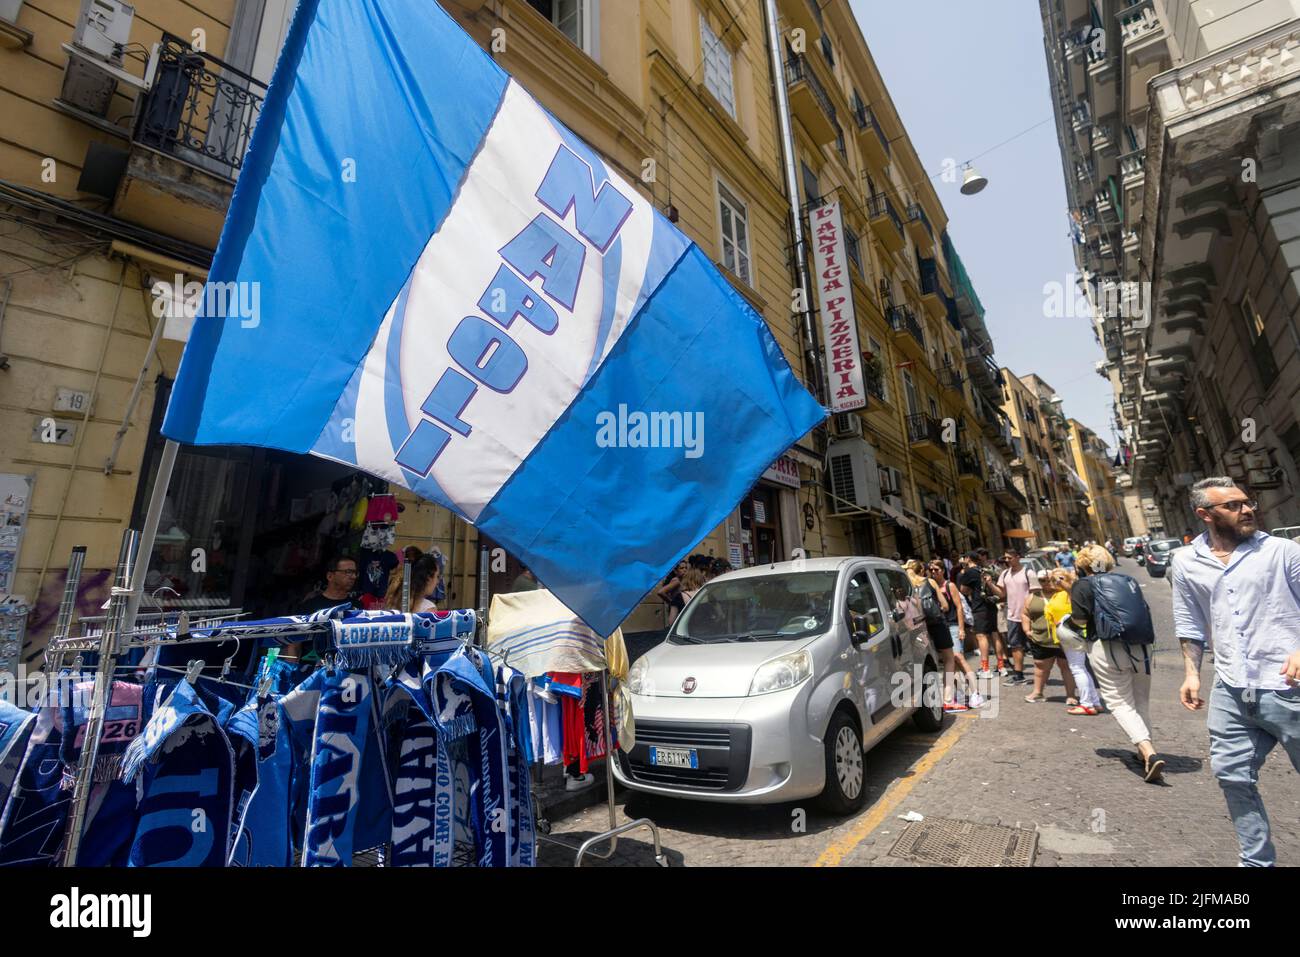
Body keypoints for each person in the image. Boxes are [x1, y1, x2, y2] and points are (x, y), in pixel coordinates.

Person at [1171, 477, 1300, 866]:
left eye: (1247, 502)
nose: (1247, 510)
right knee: (1231, 774)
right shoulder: (1185, 561)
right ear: (1204, 515)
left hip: (1288, 686)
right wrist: (1191, 673)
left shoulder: (1281, 551)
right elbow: (1189, 621)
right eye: (1233, 506)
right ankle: (1257, 862)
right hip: (1231, 688)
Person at [1071, 541, 1164, 782]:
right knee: (1141, 700)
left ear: (1082, 565)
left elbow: (1080, 622)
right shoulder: (1126, 581)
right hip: (1140, 645)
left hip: (1105, 647)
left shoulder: (1082, 585)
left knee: (1119, 702)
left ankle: (1148, 751)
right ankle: (1143, 752)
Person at [928, 560, 982, 710]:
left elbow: (959, 607)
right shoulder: (931, 587)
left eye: (936, 569)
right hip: (941, 627)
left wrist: (961, 628)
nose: (934, 572)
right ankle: (957, 694)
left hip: (952, 625)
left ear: (943, 570)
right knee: (951, 664)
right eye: (931, 570)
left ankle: (975, 692)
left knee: (958, 657)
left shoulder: (949, 585)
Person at [1021, 570, 1078, 704]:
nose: (1046, 583)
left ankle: (1071, 695)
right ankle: (1037, 692)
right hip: (1041, 639)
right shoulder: (1032, 597)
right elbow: (1025, 614)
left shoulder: (1064, 594)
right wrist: (1026, 630)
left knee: (1066, 666)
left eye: (1049, 579)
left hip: (1064, 639)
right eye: (1042, 580)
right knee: (1040, 666)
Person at [291, 554, 361, 662]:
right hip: (312, 670)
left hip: (345, 673)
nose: (353, 577)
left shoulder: (357, 607)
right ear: (330, 576)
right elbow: (294, 645)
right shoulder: (309, 606)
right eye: (348, 572)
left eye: (355, 573)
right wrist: (293, 671)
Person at [989, 550, 1034, 685]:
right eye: (1005, 558)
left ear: (1017, 557)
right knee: (1015, 645)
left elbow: (1036, 593)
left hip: (1030, 616)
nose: (1007, 560)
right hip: (1013, 615)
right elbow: (1001, 593)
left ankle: (1041, 673)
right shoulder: (1005, 574)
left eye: (1010, 557)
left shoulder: (1028, 573)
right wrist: (990, 584)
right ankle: (1019, 675)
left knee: (1036, 645)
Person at [959, 551, 1004, 678]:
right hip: (991, 605)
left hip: (979, 607)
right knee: (994, 634)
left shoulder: (969, 572)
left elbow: (963, 590)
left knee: (981, 636)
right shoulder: (983, 570)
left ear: (968, 559)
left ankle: (985, 668)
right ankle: (1001, 666)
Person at [656, 560, 689, 626]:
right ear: (675, 571)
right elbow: (661, 592)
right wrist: (671, 602)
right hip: (676, 611)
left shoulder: (683, 580)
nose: (684, 570)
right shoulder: (676, 580)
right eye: (681, 568)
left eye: (686, 568)